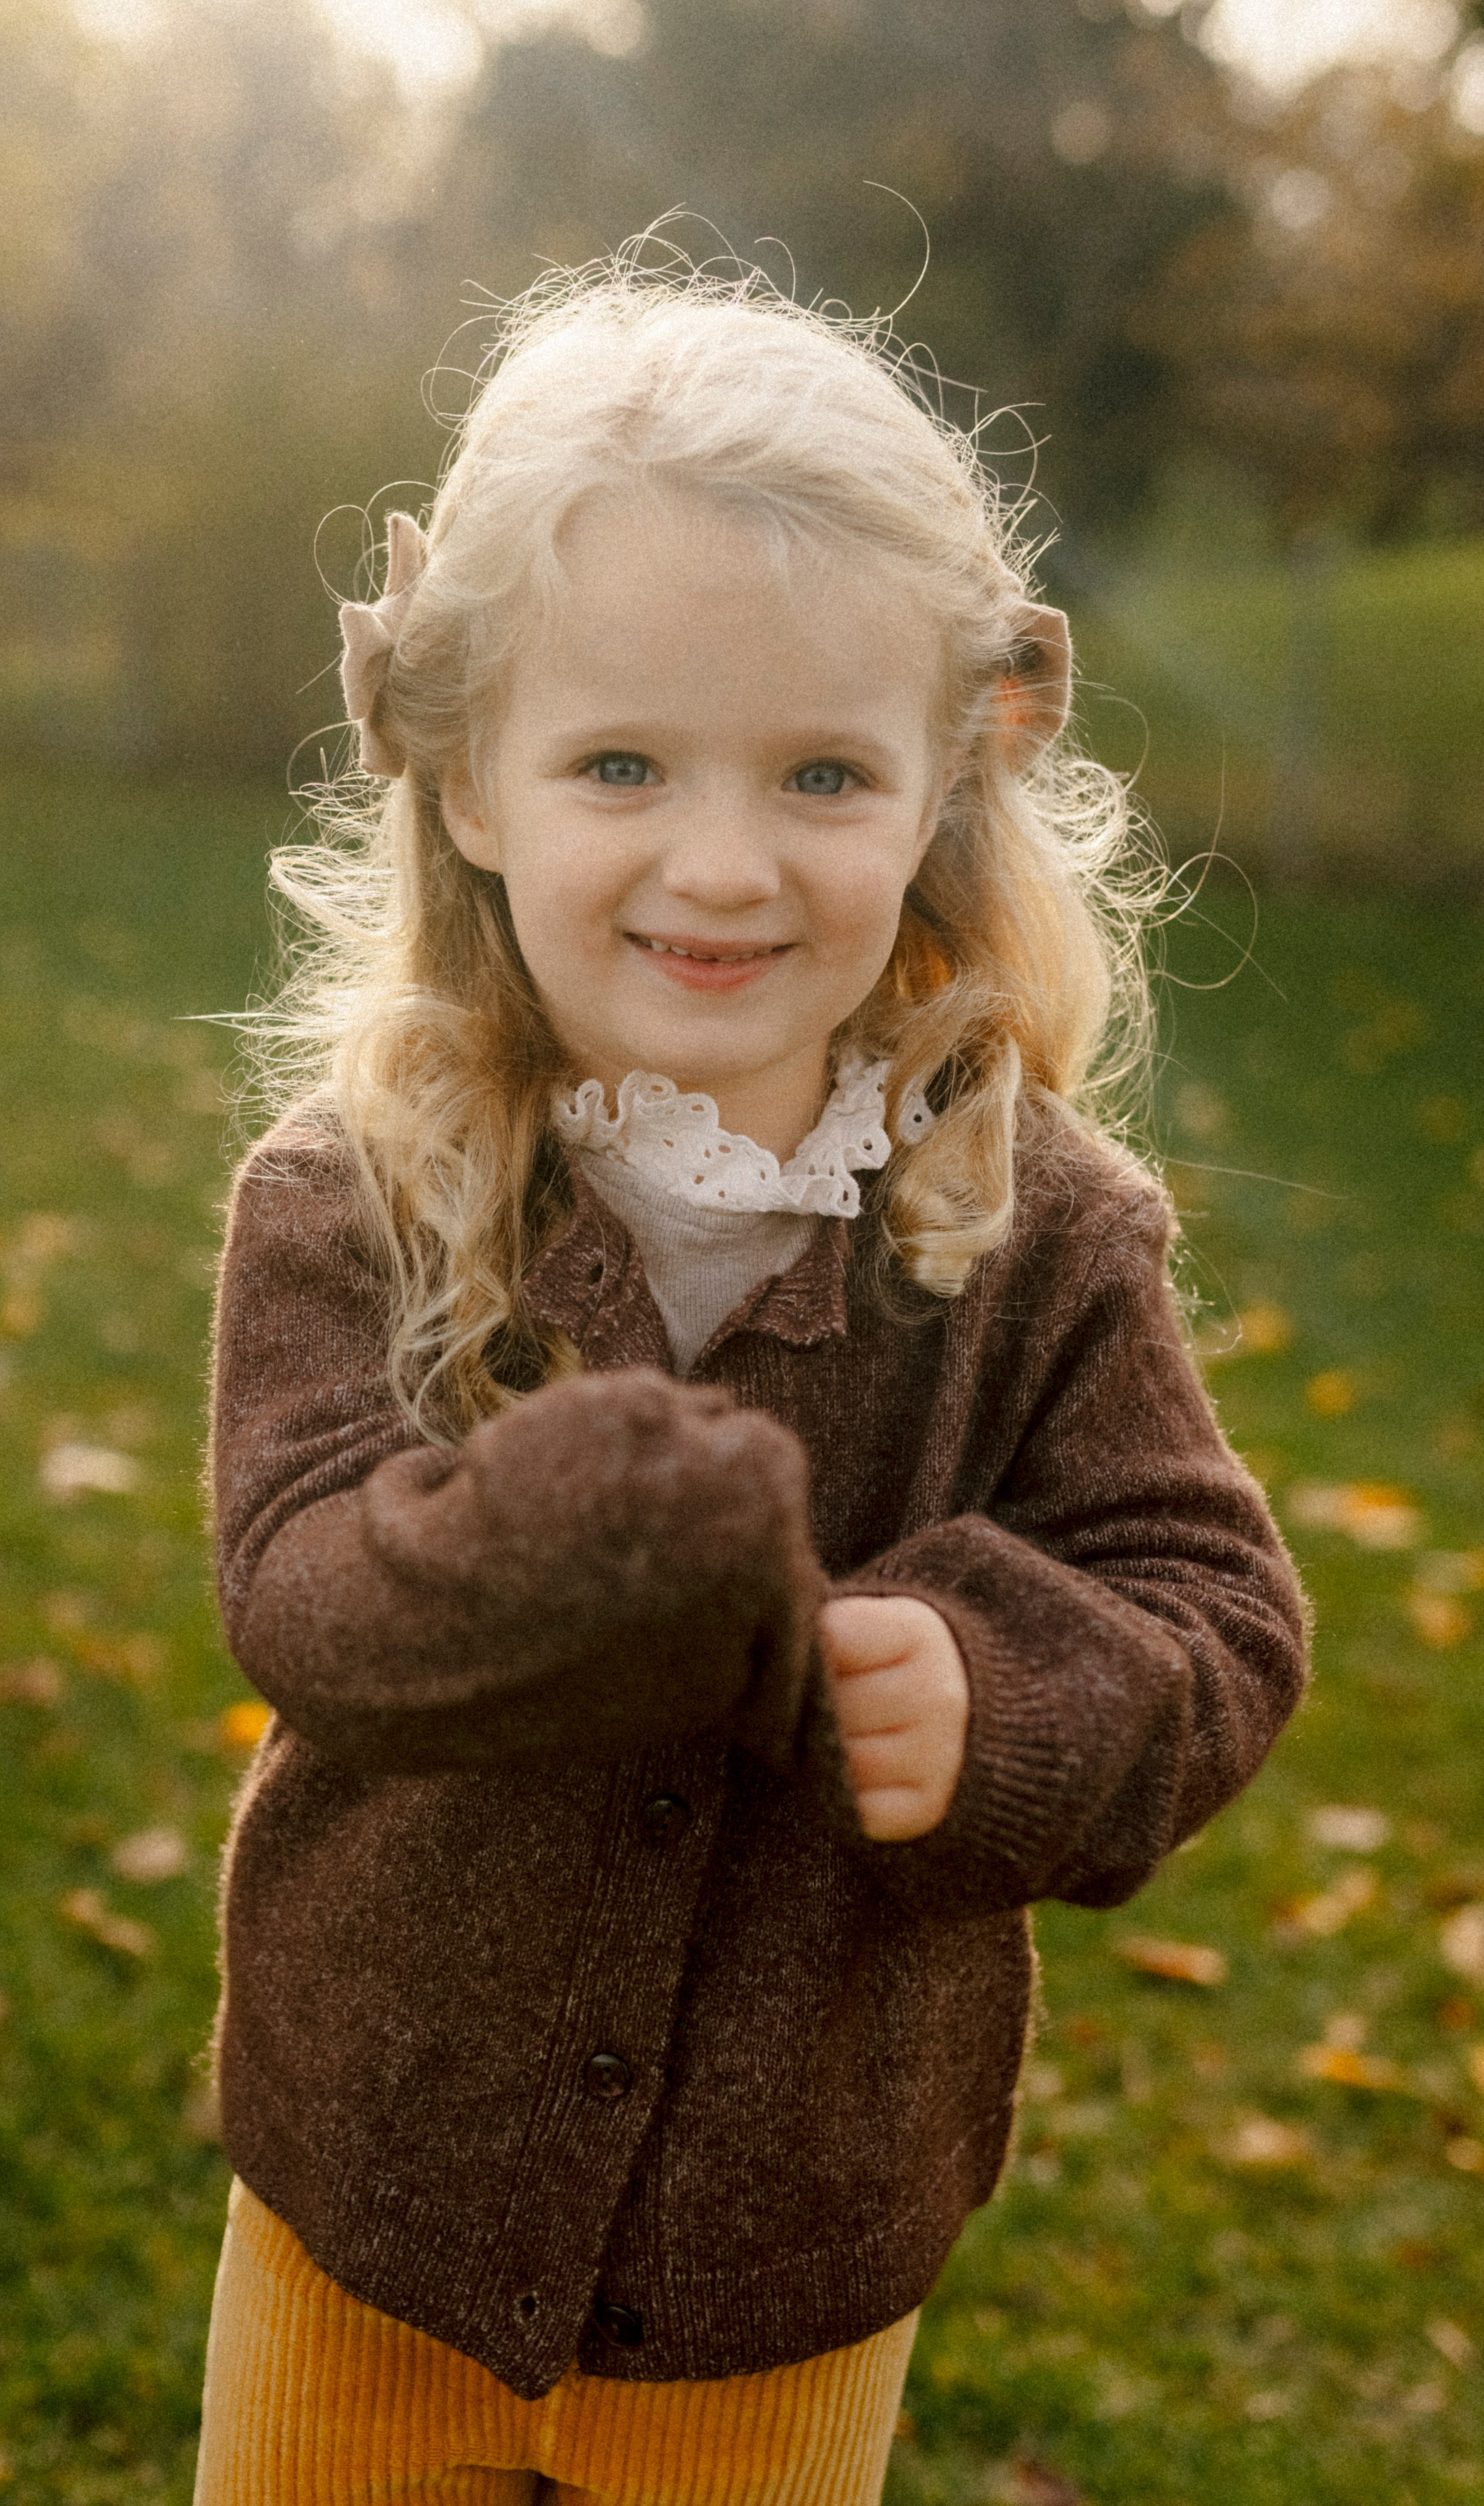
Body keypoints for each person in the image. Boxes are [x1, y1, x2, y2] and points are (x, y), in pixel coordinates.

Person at [193, 257, 1306, 2505]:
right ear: (474, 781)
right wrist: (570, 1520)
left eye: (819, 772)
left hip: (783, 2252)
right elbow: (298, 1579)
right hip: (374, 2194)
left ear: (943, 784)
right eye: (621, 764)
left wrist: (1012, 1695)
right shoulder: (368, 1188)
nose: (722, 863)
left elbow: (1215, 1608)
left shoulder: (1044, 1227)